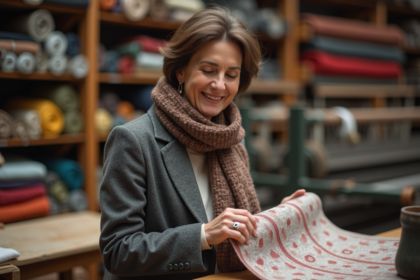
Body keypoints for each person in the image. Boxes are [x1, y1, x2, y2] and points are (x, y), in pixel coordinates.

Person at [99, 7, 305, 280]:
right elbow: (118, 251)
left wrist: (278, 220)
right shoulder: (133, 141)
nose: (219, 85)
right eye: (208, 70)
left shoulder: (231, 140)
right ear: (181, 71)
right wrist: (203, 235)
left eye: (231, 75)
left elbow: (234, 227)